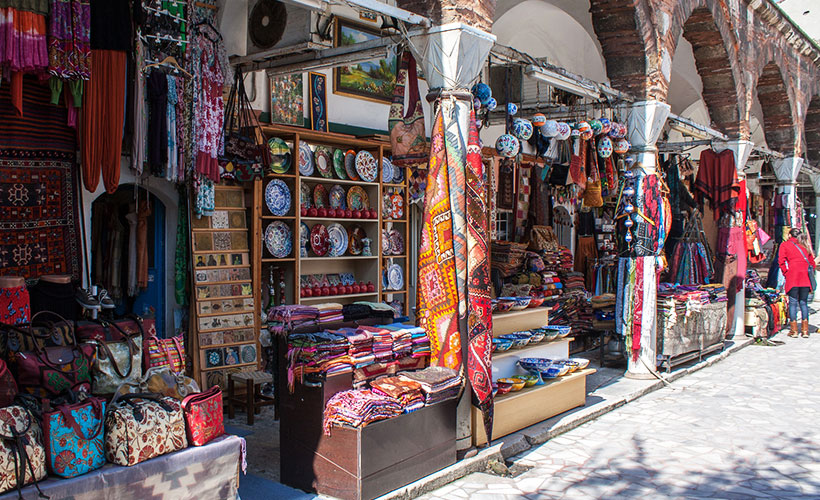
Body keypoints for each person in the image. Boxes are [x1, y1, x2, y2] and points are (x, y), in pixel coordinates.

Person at [778, 228, 815, 337]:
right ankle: (805, 330)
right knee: (803, 303)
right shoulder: (805, 245)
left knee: (793, 302)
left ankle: (794, 331)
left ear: (790, 235)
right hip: (805, 278)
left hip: (792, 277)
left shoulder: (785, 245)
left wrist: (786, 272)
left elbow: (781, 261)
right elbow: (812, 263)